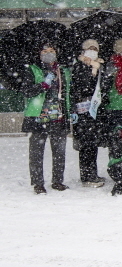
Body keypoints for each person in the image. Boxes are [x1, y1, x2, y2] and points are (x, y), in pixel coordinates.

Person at [22, 42, 73, 194]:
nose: (49, 53)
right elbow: (26, 91)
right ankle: (38, 183)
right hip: (38, 117)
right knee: (36, 152)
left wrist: (70, 111)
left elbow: (67, 92)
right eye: (45, 51)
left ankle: (57, 181)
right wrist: (42, 85)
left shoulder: (62, 71)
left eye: (52, 51)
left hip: (58, 116)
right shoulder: (32, 69)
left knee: (59, 151)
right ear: (39, 54)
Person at [71, 39, 106, 188]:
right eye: (90, 48)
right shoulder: (78, 66)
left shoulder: (100, 67)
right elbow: (80, 86)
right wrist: (90, 71)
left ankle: (93, 173)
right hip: (83, 109)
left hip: (95, 109)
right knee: (86, 144)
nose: (93, 51)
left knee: (93, 143)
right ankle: (86, 176)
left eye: (95, 49)